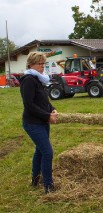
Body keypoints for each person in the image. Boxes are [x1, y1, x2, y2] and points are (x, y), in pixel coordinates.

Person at [19, 52, 58, 194]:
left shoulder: (39, 79)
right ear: (31, 65)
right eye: (39, 64)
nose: (42, 66)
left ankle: (35, 180)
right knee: (47, 152)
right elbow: (29, 104)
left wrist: (52, 109)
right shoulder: (28, 80)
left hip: (42, 121)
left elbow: (43, 100)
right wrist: (47, 116)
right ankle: (48, 186)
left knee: (40, 151)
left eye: (43, 63)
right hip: (33, 122)